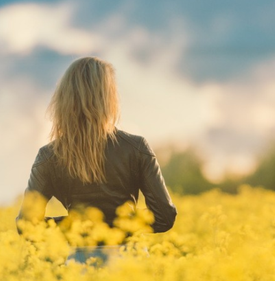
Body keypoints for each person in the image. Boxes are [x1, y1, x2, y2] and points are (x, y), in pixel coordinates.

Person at [16, 56, 177, 238]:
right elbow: (164, 217)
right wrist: (120, 224)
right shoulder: (136, 148)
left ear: (64, 98)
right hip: (130, 259)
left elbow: (26, 225)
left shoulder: (49, 156)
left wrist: (77, 225)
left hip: (78, 260)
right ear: (108, 98)